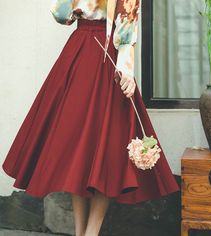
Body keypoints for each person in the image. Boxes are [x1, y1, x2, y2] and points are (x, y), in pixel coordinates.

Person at [2, 0, 180, 236]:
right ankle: (80, 232)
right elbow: (61, 15)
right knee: (79, 149)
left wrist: (125, 71)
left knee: (108, 150)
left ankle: (91, 232)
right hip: (79, 55)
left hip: (109, 59)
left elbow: (127, 28)